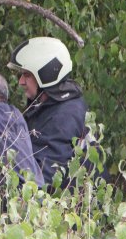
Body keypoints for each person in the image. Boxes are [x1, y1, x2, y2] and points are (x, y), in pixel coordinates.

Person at [7, 37, 87, 187]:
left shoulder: (64, 116)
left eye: (27, 75)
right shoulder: (48, 105)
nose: (21, 82)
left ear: (46, 75)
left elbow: (43, 179)